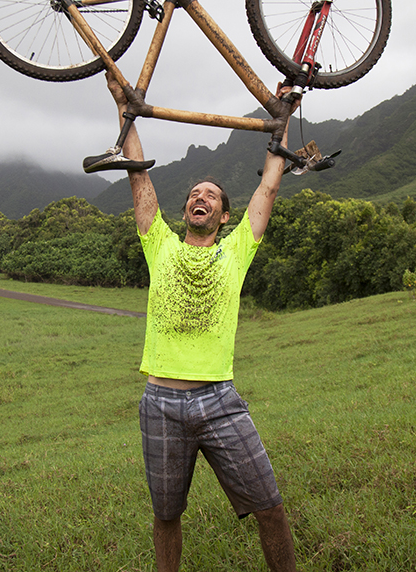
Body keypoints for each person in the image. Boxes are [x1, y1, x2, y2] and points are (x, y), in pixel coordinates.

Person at [107, 74, 298, 572]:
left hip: (219, 399)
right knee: (166, 514)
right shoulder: (160, 244)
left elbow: (269, 187)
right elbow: (138, 177)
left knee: (270, 506)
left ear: (225, 215)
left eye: (211, 194)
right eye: (194, 192)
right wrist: (122, 107)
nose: (201, 196)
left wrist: (286, 113)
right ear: (185, 208)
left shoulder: (237, 252)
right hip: (161, 403)